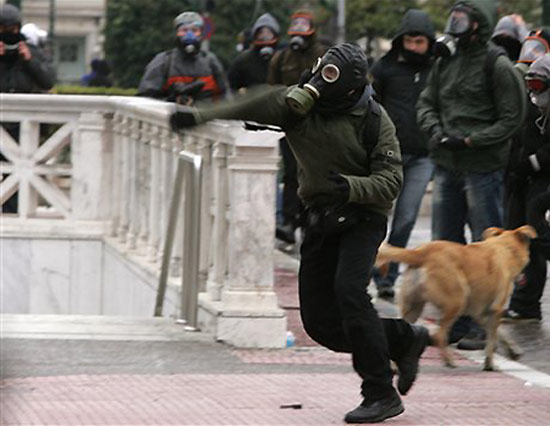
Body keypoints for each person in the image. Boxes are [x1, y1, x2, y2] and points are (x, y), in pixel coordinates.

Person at [170, 42, 431, 424]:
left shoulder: (375, 119)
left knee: (350, 293)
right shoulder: (299, 107)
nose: (321, 83)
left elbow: (391, 181)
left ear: (351, 87)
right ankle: (404, 339)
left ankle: (380, 392)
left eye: (332, 78)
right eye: (321, 73)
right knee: (321, 325)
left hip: (362, 218)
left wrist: (352, 187)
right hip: (321, 217)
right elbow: (252, 102)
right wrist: (197, 116)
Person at [417, 0, 525, 350]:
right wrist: (436, 130)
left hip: (482, 167)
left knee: (488, 250)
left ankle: (487, 322)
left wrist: (470, 140)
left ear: (479, 23)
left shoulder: (498, 65)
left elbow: (511, 119)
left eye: (463, 18)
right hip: (447, 164)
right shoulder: (445, 59)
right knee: (447, 246)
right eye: (454, 16)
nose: (455, 23)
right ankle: (457, 319)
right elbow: (426, 103)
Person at [370, 9, 435, 300]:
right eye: (409, 41)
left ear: (428, 41)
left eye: (419, 42)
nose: (413, 47)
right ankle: (371, 265)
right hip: (388, 154)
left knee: (406, 218)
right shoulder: (385, 68)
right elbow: (372, 106)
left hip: (424, 155)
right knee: (377, 215)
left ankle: (388, 276)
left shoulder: (438, 66)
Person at [267, 10, 327, 246]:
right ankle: (290, 222)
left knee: (312, 175)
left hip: (315, 126)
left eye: (304, 27)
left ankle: (310, 221)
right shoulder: (281, 58)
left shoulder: (322, 55)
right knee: (291, 175)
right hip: (289, 125)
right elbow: (272, 89)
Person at [503, 53, 550, 323]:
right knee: (519, 237)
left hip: (541, 181)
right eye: (529, 86)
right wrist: (517, 167)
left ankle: (526, 303)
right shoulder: (532, 107)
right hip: (522, 179)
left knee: (536, 239)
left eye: (537, 87)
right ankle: (523, 302)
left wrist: (534, 162)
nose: (533, 93)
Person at [138, 11, 227, 103]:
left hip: (205, 115)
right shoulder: (163, 61)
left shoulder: (210, 61)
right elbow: (146, 99)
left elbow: (226, 97)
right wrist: (172, 100)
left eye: (194, 30)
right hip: (171, 115)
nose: (189, 35)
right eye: (184, 30)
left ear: (201, 34)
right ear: (177, 33)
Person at [0, 3, 55, 94]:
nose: (8, 33)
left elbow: (48, 82)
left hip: (25, 104)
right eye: (3, 29)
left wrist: (30, 61)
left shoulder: (33, 52)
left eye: (12, 29)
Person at [228, 13, 280, 92]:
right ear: (255, 35)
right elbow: (232, 84)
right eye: (261, 33)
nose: (264, 36)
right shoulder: (243, 61)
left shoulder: (283, 58)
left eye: (268, 33)